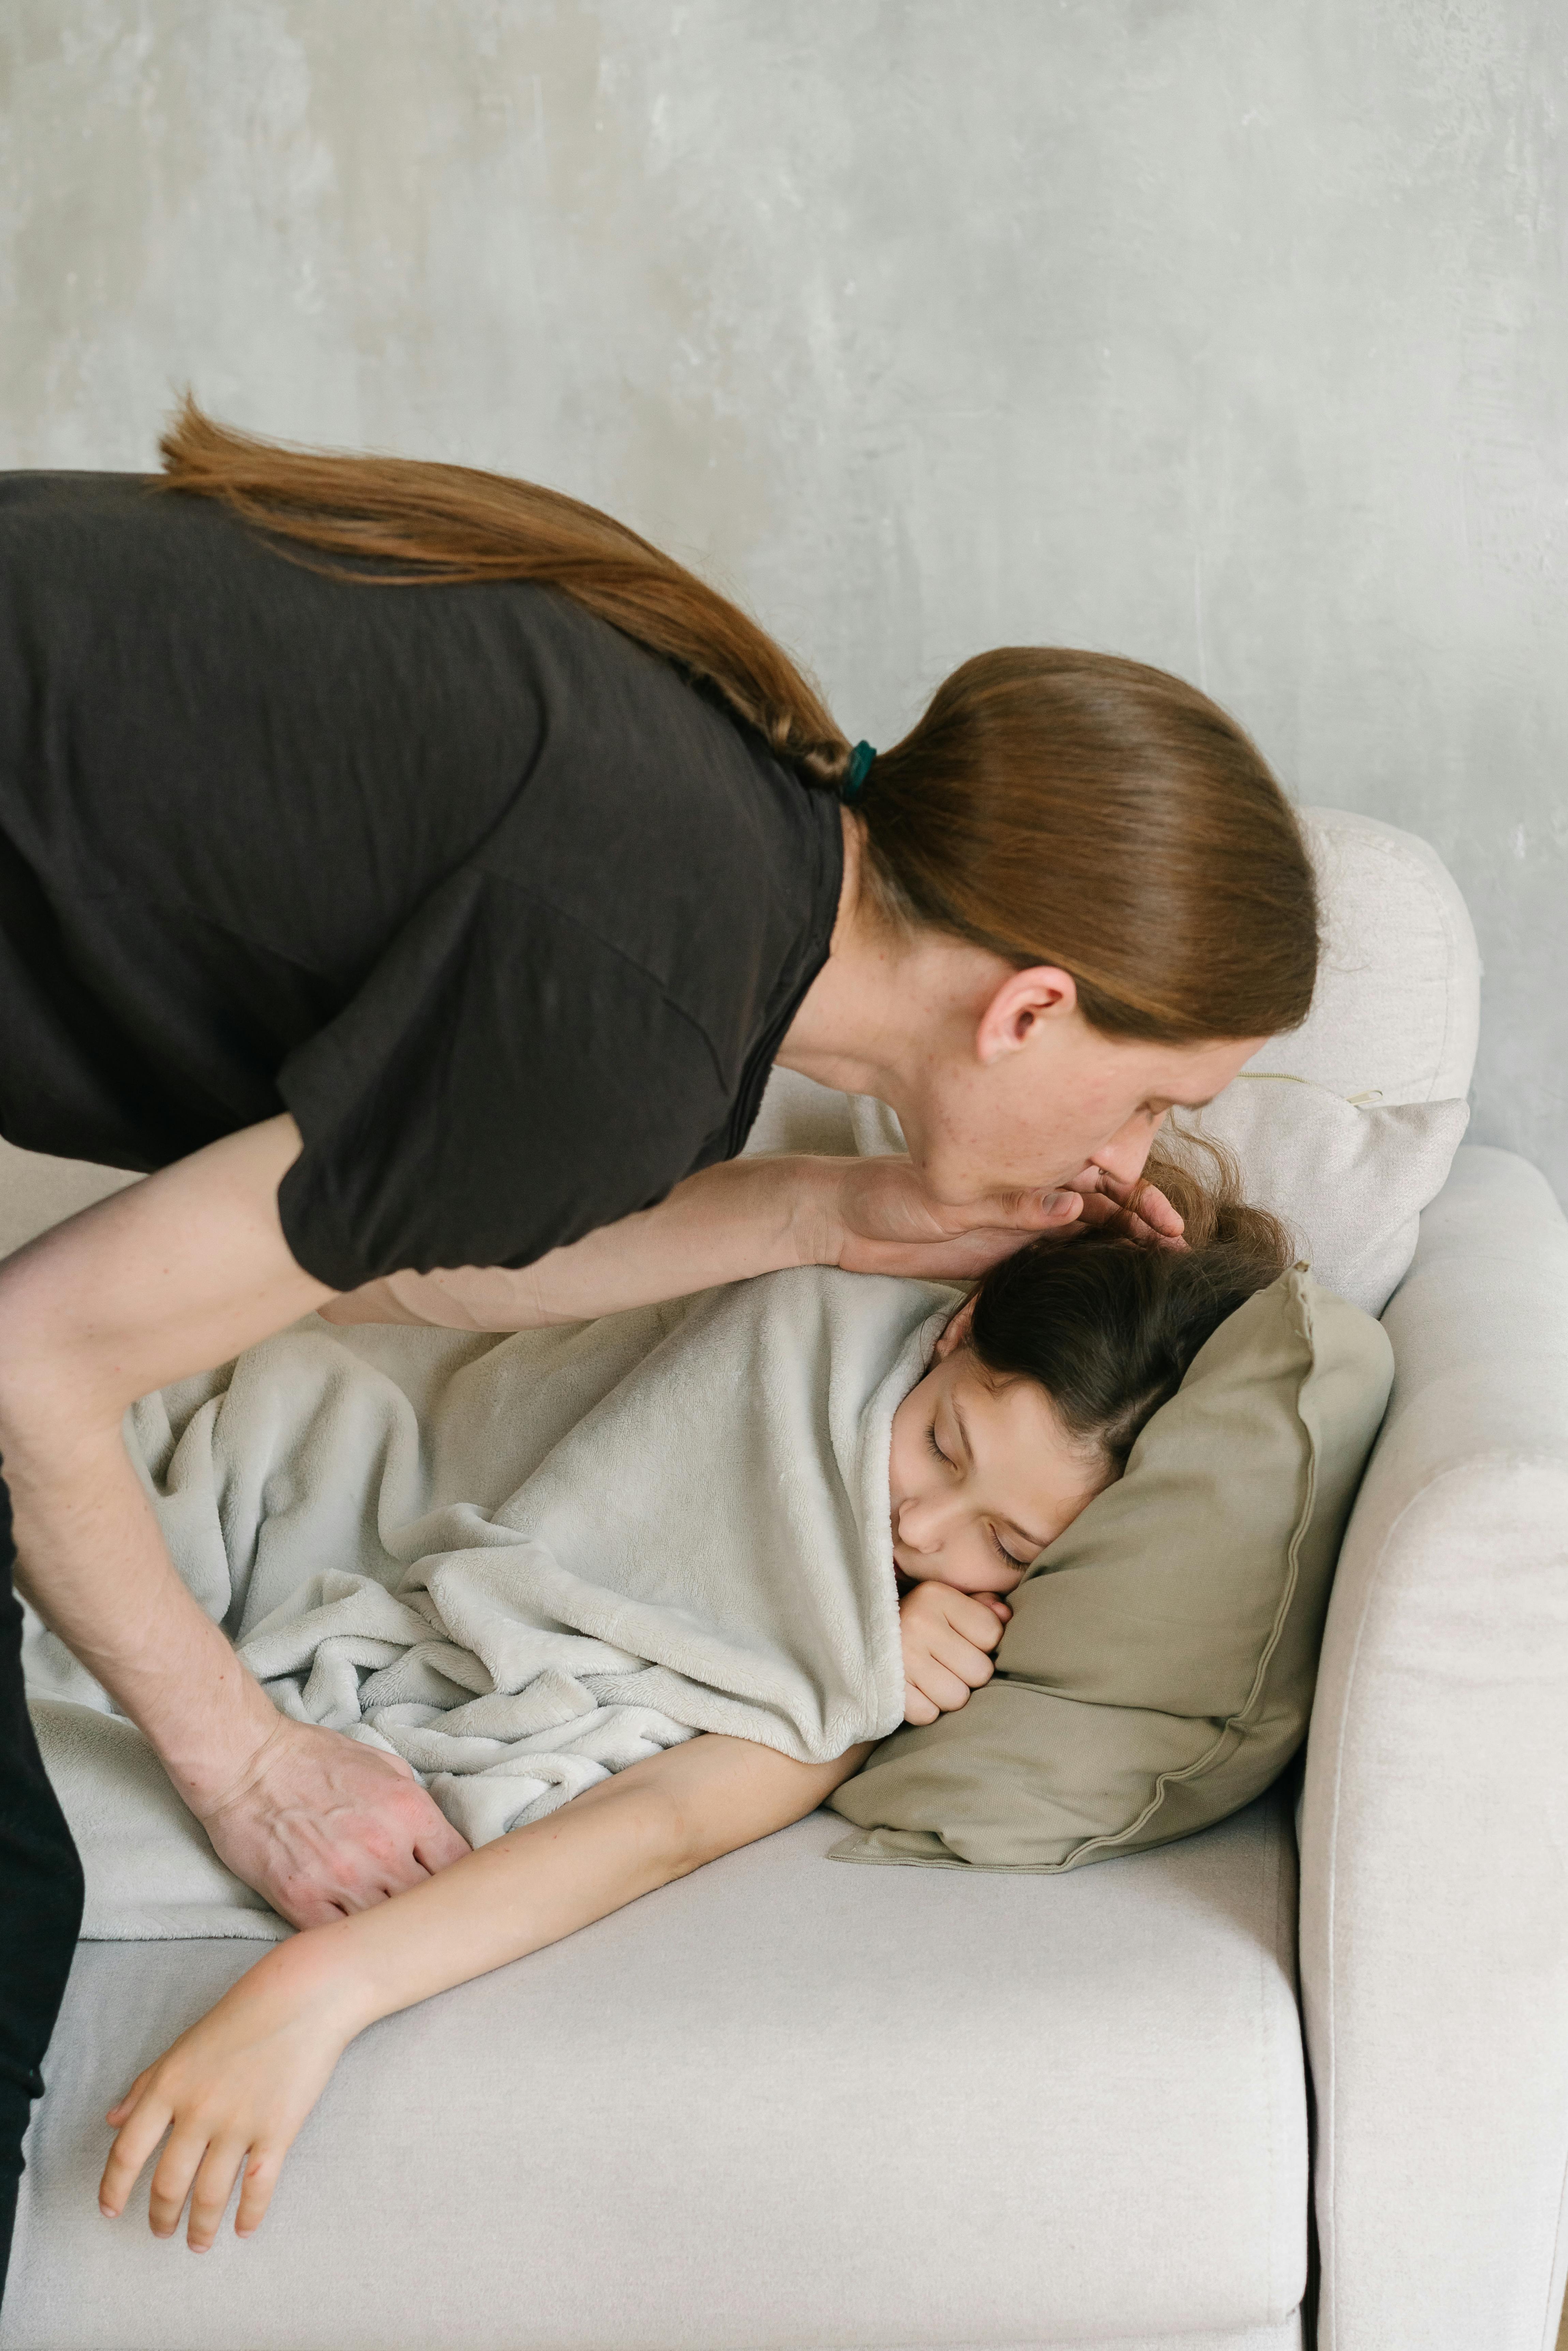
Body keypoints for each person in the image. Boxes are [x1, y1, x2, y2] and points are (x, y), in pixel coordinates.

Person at [0, 404, 1317, 2288]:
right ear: (1029, 1007)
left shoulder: (724, 850)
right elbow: (35, 1357)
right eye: (1147, 1103)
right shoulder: (639, 1000)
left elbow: (402, 1258)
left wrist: (841, 1219)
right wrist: (248, 1766)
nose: (1123, 1169)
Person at [92, 1149, 1291, 2251]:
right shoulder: (826, 1306)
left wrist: (321, 1989)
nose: (923, 1527)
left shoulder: (870, 1665)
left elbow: (662, 1826)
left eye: (1009, 1544)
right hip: (317, 1452)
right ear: (960, 1330)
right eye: (940, 1445)